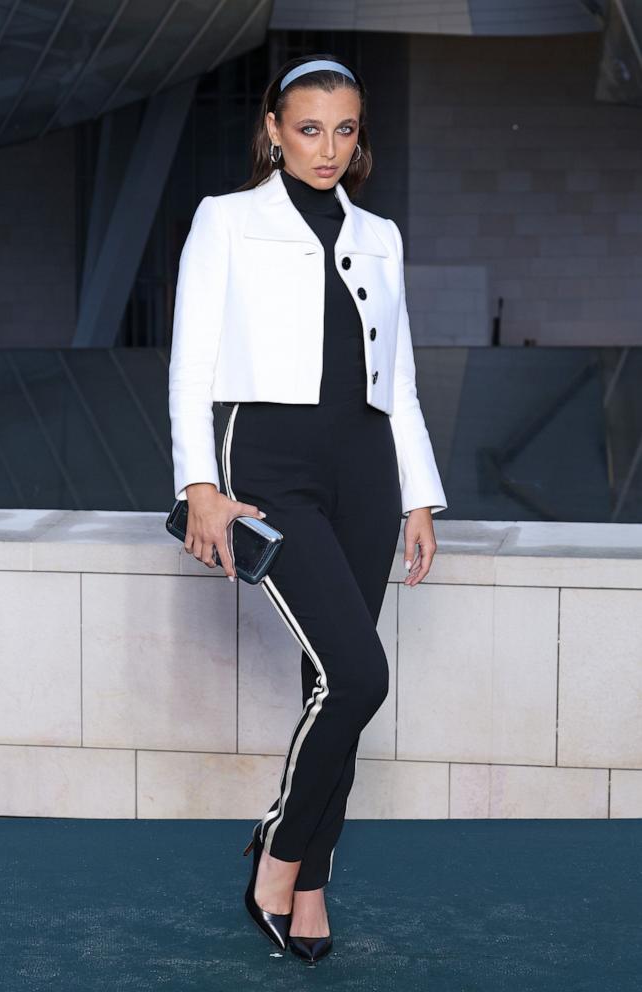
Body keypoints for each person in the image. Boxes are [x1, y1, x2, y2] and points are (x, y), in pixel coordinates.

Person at [168, 54, 448, 963]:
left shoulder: (383, 234)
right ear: (274, 131)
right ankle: (279, 855)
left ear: (359, 136)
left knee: (331, 684)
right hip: (273, 464)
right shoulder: (226, 221)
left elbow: (397, 378)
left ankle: (315, 881)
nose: (328, 147)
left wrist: (418, 497)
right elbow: (190, 363)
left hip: (366, 468)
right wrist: (198, 484)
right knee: (360, 677)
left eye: (345, 129)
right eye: (309, 128)